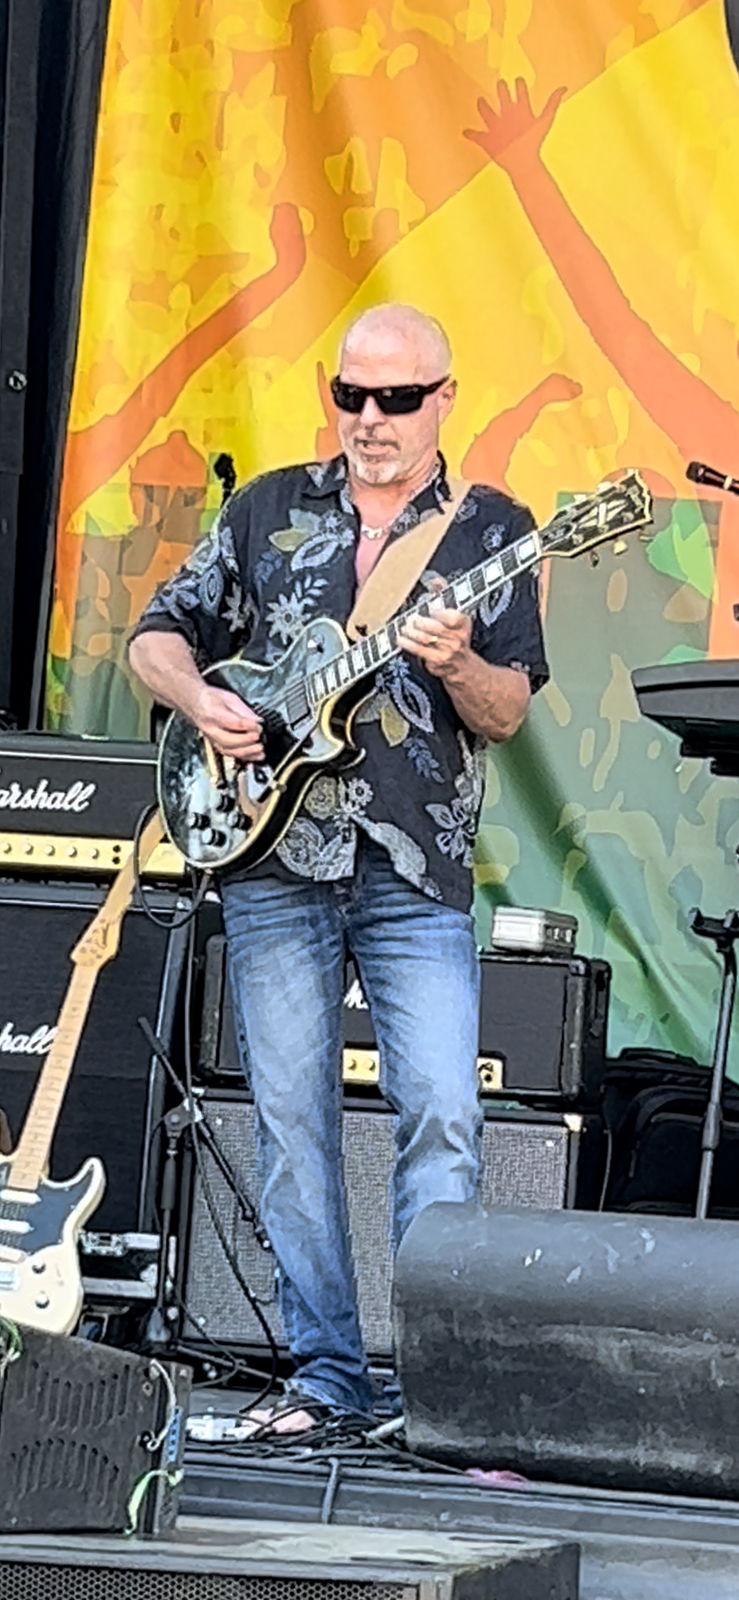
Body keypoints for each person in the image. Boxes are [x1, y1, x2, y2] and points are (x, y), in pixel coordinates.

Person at [128, 303, 549, 1432]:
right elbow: (156, 635)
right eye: (351, 395)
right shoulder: (268, 509)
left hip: (416, 868)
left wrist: (455, 664)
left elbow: (506, 710)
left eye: (396, 398)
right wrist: (200, 699)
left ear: (443, 399)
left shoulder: (490, 530)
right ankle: (324, 1377)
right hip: (273, 857)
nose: (370, 417)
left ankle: (435, 1393)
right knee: (291, 1125)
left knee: (443, 1117)